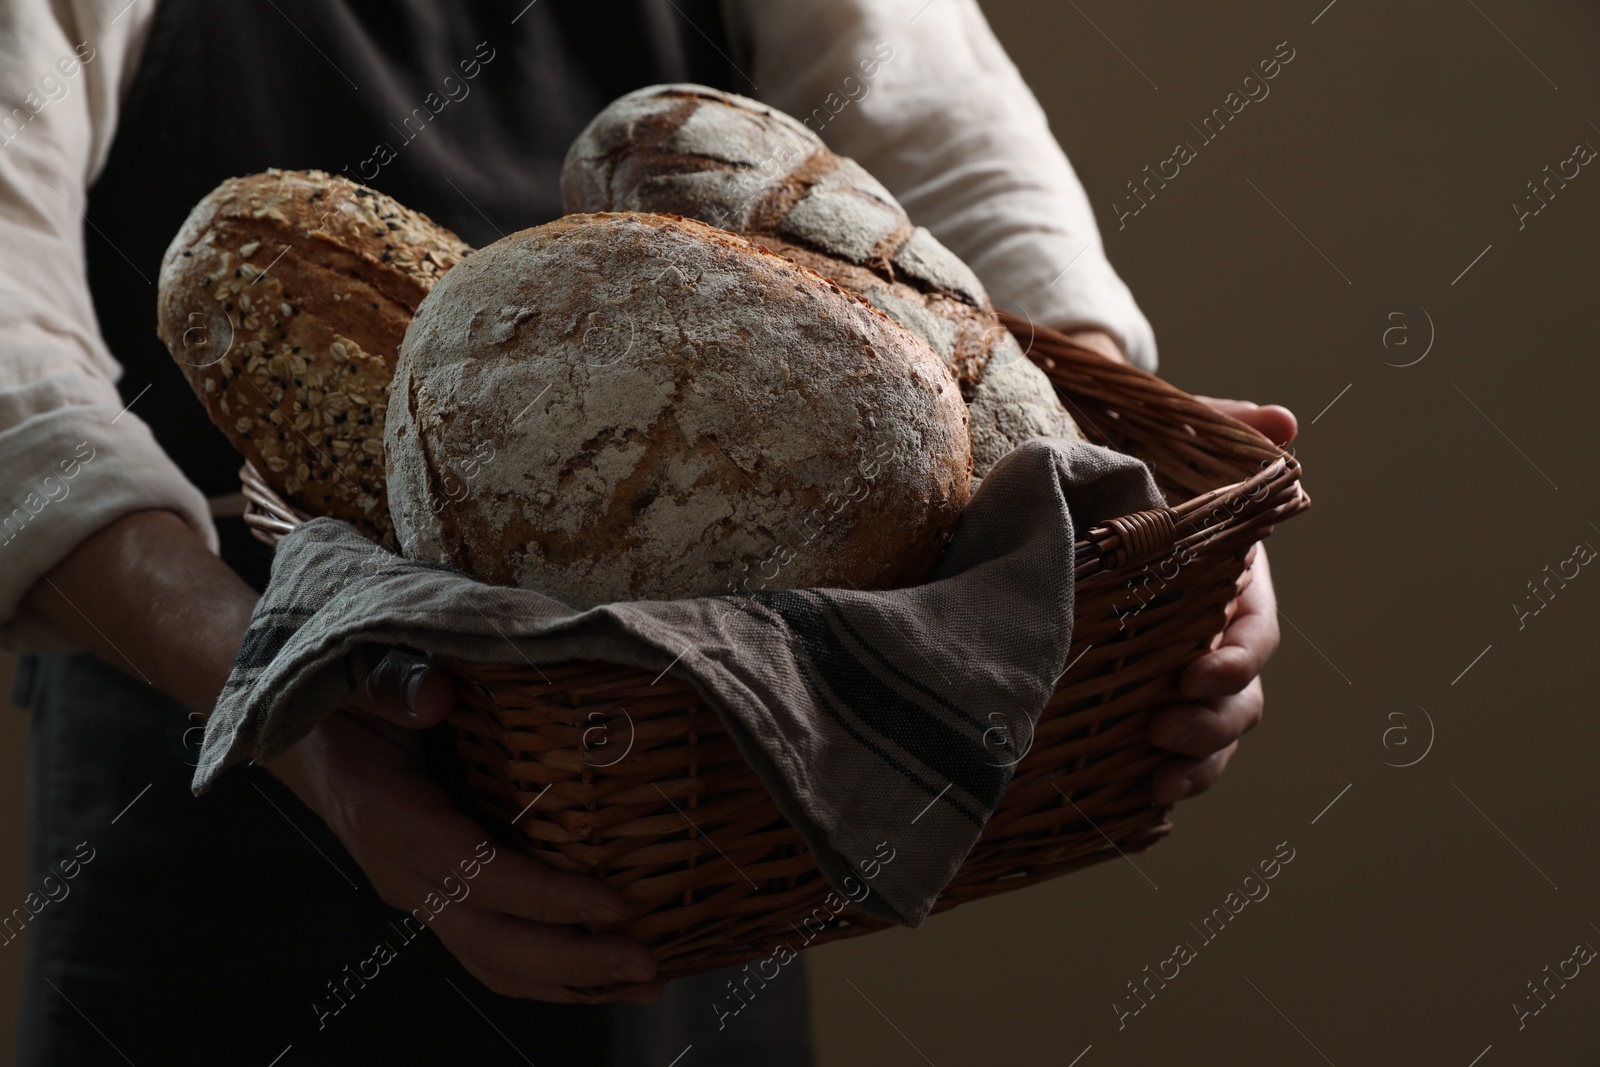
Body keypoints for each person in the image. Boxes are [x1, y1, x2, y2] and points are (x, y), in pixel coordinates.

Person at [0, 0, 1296, 1063]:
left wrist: (1131, 535)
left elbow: (957, 168)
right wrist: (306, 723)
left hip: (703, 775)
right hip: (220, 753)